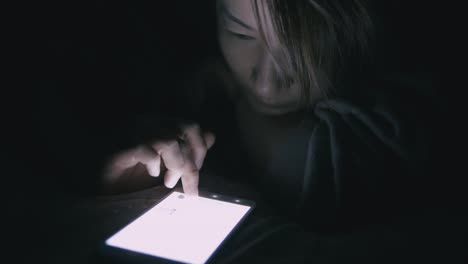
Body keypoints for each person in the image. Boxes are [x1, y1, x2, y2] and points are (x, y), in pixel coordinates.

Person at [101, 0, 436, 230]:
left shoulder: (401, 111)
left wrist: (233, 92)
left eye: (303, 47)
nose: (265, 84)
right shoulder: (181, 78)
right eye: (241, 34)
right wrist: (133, 184)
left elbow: (325, 184)